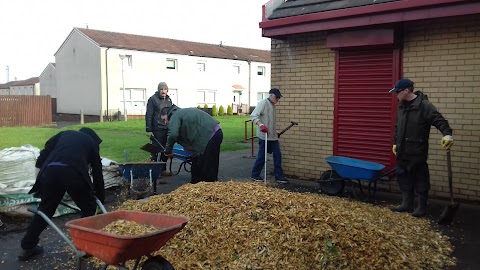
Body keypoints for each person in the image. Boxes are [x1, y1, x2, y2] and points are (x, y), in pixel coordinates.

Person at [18, 127, 105, 261]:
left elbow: (42, 157)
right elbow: (97, 173)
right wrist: (100, 198)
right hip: (74, 174)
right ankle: (83, 247)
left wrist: (40, 183)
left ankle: (28, 246)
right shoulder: (91, 143)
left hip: (50, 173)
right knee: (88, 208)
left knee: (45, 210)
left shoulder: (63, 134)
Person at [389, 78, 453, 217]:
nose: (396, 94)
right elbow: (397, 126)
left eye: (397, 92)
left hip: (416, 150)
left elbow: (439, 120)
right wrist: (395, 142)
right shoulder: (401, 105)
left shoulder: (424, 105)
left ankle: (421, 208)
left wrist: (447, 135)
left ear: (406, 90)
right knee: (403, 176)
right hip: (402, 149)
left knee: (420, 178)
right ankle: (406, 204)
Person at [160, 105, 223, 183]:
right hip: (215, 132)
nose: (165, 123)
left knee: (206, 168)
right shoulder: (182, 114)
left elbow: (173, 134)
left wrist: (168, 150)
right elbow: (189, 137)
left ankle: (205, 188)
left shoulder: (174, 115)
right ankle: (205, 185)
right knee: (208, 165)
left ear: (167, 114)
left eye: (164, 120)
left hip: (209, 134)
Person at [250, 88, 289, 184]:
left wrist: (275, 132)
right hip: (264, 136)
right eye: (277, 97)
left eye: (279, 98)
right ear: (271, 95)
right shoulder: (263, 103)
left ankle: (278, 176)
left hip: (273, 136)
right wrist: (261, 125)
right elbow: (253, 116)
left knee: (277, 155)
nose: (278, 99)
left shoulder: (273, 105)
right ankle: (255, 175)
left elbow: (270, 121)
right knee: (262, 156)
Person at [146, 81, 173, 176]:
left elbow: (171, 113)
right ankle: (154, 170)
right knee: (156, 149)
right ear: (158, 90)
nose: (163, 91)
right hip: (157, 128)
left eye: (165, 89)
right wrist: (149, 127)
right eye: (161, 89)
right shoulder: (153, 99)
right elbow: (149, 114)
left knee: (166, 149)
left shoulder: (169, 100)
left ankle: (164, 169)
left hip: (167, 128)